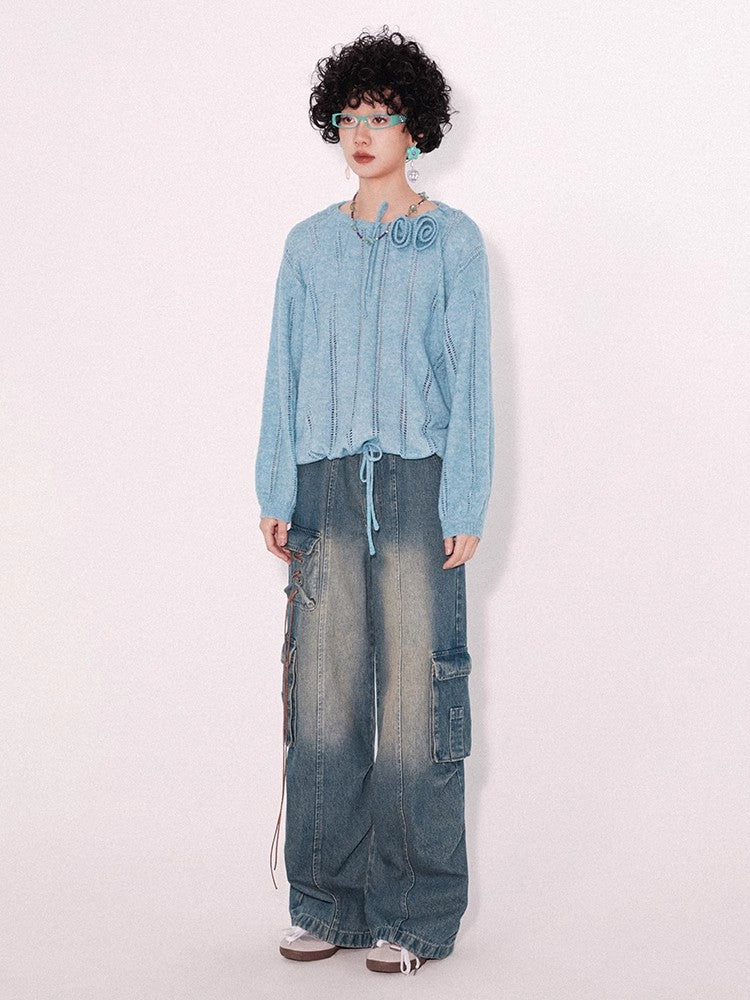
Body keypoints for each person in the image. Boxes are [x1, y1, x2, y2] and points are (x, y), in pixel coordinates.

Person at [255, 26, 494, 977]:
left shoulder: (454, 242)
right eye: (350, 116)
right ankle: (327, 901)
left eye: (382, 117)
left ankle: (416, 913)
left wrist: (463, 496)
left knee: (415, 700)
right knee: (325, 696)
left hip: (417, 484)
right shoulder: (308, 246)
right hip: (323, 485)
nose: (363, 133)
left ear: (415, 130)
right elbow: (283, 372)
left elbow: (470, 378)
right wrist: (278, 486)